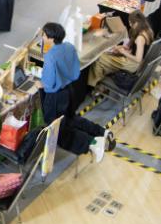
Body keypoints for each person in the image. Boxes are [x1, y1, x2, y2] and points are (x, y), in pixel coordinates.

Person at [40, 23, 114, 161]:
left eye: (44, 35)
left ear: (51, 38)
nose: (42, 37)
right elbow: (75, 72)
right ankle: (102, 132)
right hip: (70, 91)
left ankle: (92, 143)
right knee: (70, 119)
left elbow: (48, 84)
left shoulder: (50, 56)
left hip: (56, 97)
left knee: (57, 130)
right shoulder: (69, 47)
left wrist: (40, 83)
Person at [88, 10, 153, 87]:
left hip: (132, 65)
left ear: (137, 23)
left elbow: (138, 59)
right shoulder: (147, 30)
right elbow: (137, 49)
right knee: (107, 57)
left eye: (131, 23)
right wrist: (123, 48)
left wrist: (123, 52)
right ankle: (98, 83)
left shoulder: (140, 38)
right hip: (137, 63)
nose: (130, 25)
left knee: (99, 59)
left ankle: (93, 86)